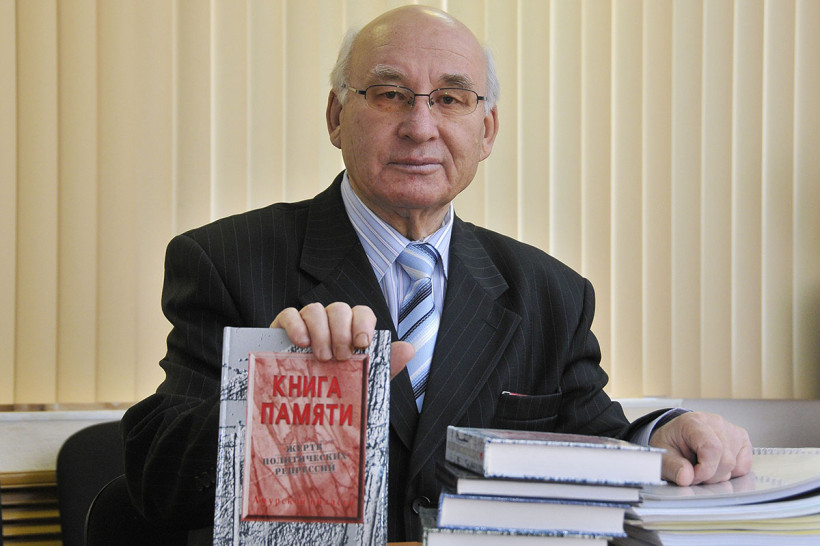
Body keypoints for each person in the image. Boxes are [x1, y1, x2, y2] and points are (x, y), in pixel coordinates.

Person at [122, 5, 752, 543]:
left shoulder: (550, 293)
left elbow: (594, 442)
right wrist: (280, 393)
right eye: (389, 94)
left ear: (487, 130)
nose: (420, 126)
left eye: (450, 99)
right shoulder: (226, 260)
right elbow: (157, 478)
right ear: (336, 117)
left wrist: (662, 434)